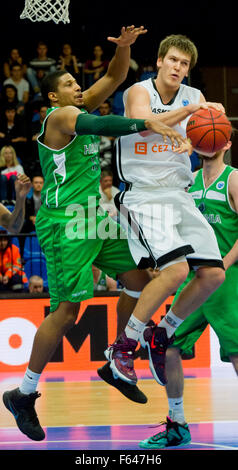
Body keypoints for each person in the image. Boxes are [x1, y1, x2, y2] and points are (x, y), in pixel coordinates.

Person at [2, 25, 189, 442]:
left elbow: (116, 78)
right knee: (68, 311)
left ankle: (116, 356)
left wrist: (123, 49)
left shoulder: (77, 104)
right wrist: (150, 123)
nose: (77, 86)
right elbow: (105, 126)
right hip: (66, 221)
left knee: (141, 282)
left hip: (95, 216)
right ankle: (24, 392)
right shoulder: (61, 116)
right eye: (69, 83)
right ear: (53, 95)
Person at [101, 34, 226, 392]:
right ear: (159, 61)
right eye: (172, 60)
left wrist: (203, 139)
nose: (178, 68)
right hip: (144, 195)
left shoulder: (195, 97)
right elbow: (145, 122)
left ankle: (163, 333)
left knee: (213, 275)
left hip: (180, 194)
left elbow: (206, 140)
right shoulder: (138, 92)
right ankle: (122, 349)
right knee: (175, 270)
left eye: (184, 64)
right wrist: (190, 113)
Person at [139, 141, 238, 449]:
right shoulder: (188, 181)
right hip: (195, 279)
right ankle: (177, 423)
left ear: (226, 143)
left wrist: (222, 264)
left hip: (228, 279)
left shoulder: (233, 179)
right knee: (167, 346)